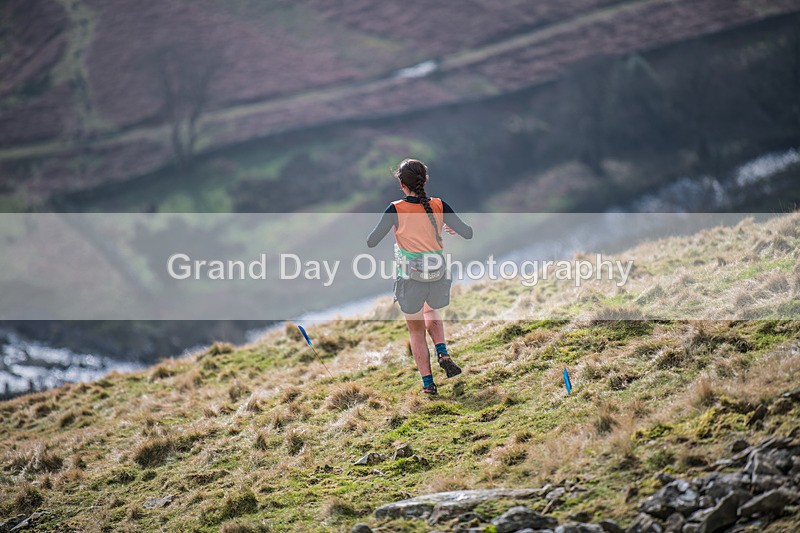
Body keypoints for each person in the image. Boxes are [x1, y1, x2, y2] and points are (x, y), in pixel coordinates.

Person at [367, 159, 473, 395]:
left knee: (415, 330)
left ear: (402, 185)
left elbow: (371, 241)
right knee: (431, 310)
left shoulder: (395, 209)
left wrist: (396, 229)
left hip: (411, 277)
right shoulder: (438, 204)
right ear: (424, 181)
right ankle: (442, 351)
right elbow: (468, 232)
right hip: (438, 274)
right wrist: (452, 228)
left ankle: (428, 385)